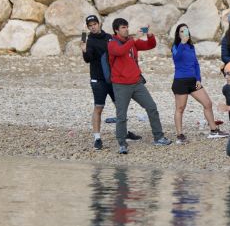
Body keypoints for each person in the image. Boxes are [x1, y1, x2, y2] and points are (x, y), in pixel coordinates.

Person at [107, 18, 171, 154]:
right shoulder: (112, 43)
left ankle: (158, 137)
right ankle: (122, 144)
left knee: (152, 107)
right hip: (121, 85)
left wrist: (149, 35)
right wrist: (133, 39)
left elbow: (150, 45)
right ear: (116, 30)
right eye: (123, 27)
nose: (126, 29)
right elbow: (120, 51)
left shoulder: (132, 41)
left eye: (127, 27)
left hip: (136, 83)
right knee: (121, 116)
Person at [81, 15, 135, 150]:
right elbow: (88, 59)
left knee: (120, 106)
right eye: (90, 25)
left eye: (94, 24)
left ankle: (124, 132)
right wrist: (84, 50)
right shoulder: (90, 41)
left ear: (99, 24)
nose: (93, 27)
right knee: (98, 107)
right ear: (88, 27)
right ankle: (97, 138)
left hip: (113, 78)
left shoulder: (109, 38)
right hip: (98, 80)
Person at [171, 23, 217, 144]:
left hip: (193, 81)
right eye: (182, 31)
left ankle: (214, 130)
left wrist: (198, 79)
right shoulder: (176, 46)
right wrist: (182, 43)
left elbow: (196, 64)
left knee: (207, 103)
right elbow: (177, 58)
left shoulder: (191, 47)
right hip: (180, 81)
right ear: (178, 34)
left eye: (186, 30)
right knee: (180, 108)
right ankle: (180, 135)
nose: (185, 33)